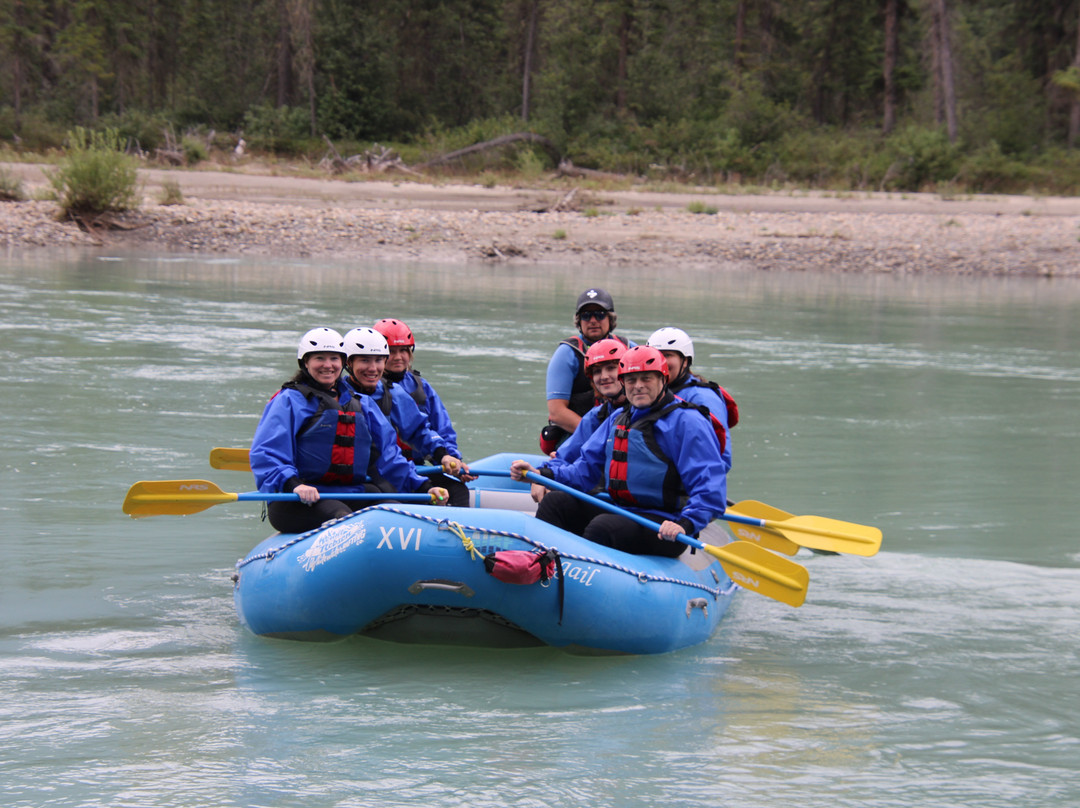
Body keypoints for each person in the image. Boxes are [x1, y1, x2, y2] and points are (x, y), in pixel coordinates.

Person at [512, 345, 728, 558]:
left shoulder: (688, 422)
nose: (638, 386)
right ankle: (538, 565)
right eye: (631, 380)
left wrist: (686, 523)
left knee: (603, 527)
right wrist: (542, 474)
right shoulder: (617, 419)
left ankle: (579, 580)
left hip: (666, 523)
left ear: (663, 380)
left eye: (646, 379)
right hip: (623, 510)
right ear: (623, 384)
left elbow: (709, 487)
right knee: (556, 502)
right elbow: (583, 471)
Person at [250, 327, 449, 534]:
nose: (328, 365)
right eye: (320, 358)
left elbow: (389, 457)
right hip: (296, 497)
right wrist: (293, 484)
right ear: (305, 362)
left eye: (334, 359)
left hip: (350, 490)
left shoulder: (362, 403)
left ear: (342, 363)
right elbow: (266, 452)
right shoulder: (289, 401)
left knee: (395, 511)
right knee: (340, 514)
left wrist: (424, 488)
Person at [342, 326, 472, 507]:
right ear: (348, 363)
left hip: (394, 470)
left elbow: (419, 429)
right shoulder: (337, 395)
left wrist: (444, 455)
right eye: (365, 361)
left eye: (378, 360)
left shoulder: (392, 391)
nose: (373, 368)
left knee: (456, 491)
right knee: (389, 500)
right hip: (355, 478)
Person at [531, 338, 628, 503]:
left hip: (627, 501)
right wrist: (542, 474)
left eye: (611, 368)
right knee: (553, 501)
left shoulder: (638, 411)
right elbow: (566, 455)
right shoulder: (597, 415)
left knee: (555, 502)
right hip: (601, 492)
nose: (604, 376)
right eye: (597, 372)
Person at [542, 287, 631, 451]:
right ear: (579, 321)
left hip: (623, 430)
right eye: (586, 315)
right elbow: (557, 412)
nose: (592, 320)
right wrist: (600, 438)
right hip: (577, 434)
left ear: (610, 319)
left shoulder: (628, 348)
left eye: (599, 314)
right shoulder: (567, 353)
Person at [646, 326, 738, 473]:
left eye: (668, 355)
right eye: (656, 355)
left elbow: (719, 461)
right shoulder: (648, 392)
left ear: (685, 361)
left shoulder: (702, 398)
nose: (660, 361)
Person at [372, 317, 463, 465]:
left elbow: (442, 427)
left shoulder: (420, 386)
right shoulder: (368, 388)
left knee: (457, 489)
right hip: (382, 468)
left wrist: (452, 457)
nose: (398, 357)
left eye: (403, 350)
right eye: (391, 351)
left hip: (418, 465)